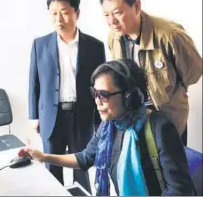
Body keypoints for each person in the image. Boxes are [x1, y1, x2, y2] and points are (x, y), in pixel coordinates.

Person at [22, 59, 195, 196]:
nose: (97, 101)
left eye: (104, 95)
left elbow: (179, 191)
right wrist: (44, 157)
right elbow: (84, 158)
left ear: (130, 97)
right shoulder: (108, 128)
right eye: (94, 93)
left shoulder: (160, 128)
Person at [100, 0, 202, 145]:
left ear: (137, 6)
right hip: (132, 119)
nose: (111, 21)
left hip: (168, 119)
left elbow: (193, 73)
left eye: (117, 12)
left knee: (172, 169)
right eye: (106, 15)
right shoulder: (114, 37)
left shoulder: (170, 35)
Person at [28, 0, 105, 193]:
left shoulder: (95, 46)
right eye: (53, 13)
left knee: (82, 164)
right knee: (51, 167)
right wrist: (33, 116)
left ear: (76, 13)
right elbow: (33, 82)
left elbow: (100, 85)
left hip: (82, 115)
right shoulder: (40, 45)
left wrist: (101, 118)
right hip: (51, 116)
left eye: (64, 11)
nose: (58, 18)